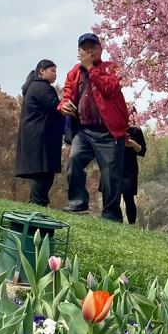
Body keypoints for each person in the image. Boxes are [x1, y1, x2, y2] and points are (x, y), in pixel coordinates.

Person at [59, 32, 129, 219]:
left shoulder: (112, 68)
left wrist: (91, 68)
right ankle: (77, 203)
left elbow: (110, 88)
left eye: (92, 47)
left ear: (100, 49)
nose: (88, 51)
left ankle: (111, 214)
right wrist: (64, 105)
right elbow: (67, 95)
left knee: (110, 175)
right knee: (74, 160)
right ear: (78, 51)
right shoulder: (74, 72)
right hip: (84, 130)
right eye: (84, 48)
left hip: (109, 132)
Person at [14, 59, 62, 206]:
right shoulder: (41, 87)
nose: (55, 75)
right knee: (43, 172)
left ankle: (39, 201)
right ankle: (38, 202)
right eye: (52, 71)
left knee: (42, 173)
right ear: (42, 71)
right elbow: (56, 106)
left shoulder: (34, 87)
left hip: (34, 135)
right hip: (41, 136)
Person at [119, 122, 147, 224]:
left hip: (129, 167)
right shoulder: (113, 125)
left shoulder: (136, 131)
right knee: (113, 195)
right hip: (114, 163)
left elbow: (142, 150)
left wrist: (132, 144)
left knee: (128, 197)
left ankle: (131, 224)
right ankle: (115, 222)